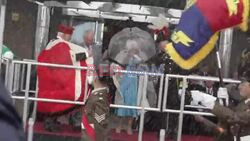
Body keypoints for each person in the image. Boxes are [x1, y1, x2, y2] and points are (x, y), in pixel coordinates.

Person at [37, 24, 89, 131]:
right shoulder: (60, 45)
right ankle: (74, 121)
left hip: (50, 82)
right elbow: (69, 58)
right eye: (69, 35)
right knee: (76, 95)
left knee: (60, 101)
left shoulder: (52, 44)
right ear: (65, 35)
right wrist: (85, 56)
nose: (70, 38)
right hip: (56, 83)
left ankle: (53, 121)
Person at [191, 69, 250, 141]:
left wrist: (211, 103)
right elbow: (227, 121)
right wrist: (224, 102)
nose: (239, 87)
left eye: (243, 85)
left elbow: (236, 117)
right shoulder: (242, 103)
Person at [81, 66, 111, 141]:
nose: (88, 76)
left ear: (96, 77)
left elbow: (100, 123)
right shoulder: (95, 93)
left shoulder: (100, 98)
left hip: (91, 136)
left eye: (90, 73)